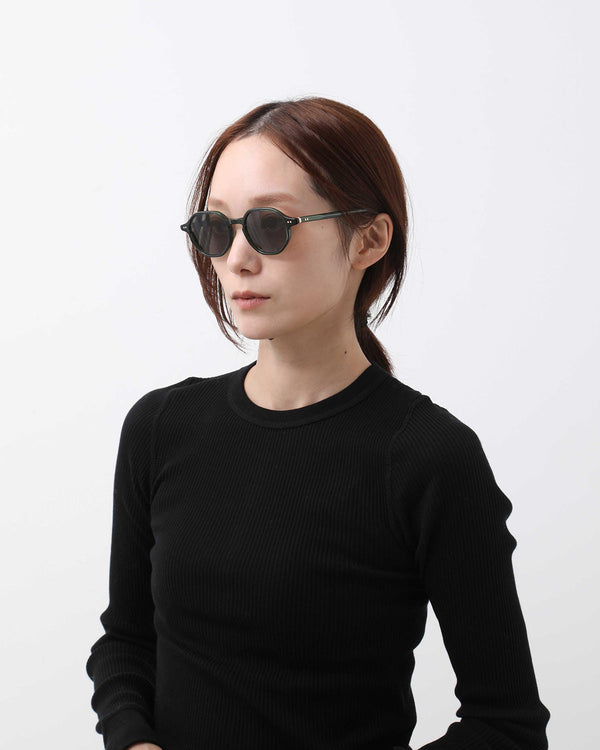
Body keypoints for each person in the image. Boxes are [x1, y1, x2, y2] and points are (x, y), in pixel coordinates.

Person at [85, 96, 550, 750]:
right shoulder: (161, 428)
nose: (237, 259)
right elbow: (126, 642)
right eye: (216, 228)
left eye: (270, 225)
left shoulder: (428, 457)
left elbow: (506, 726)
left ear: (369, 240)